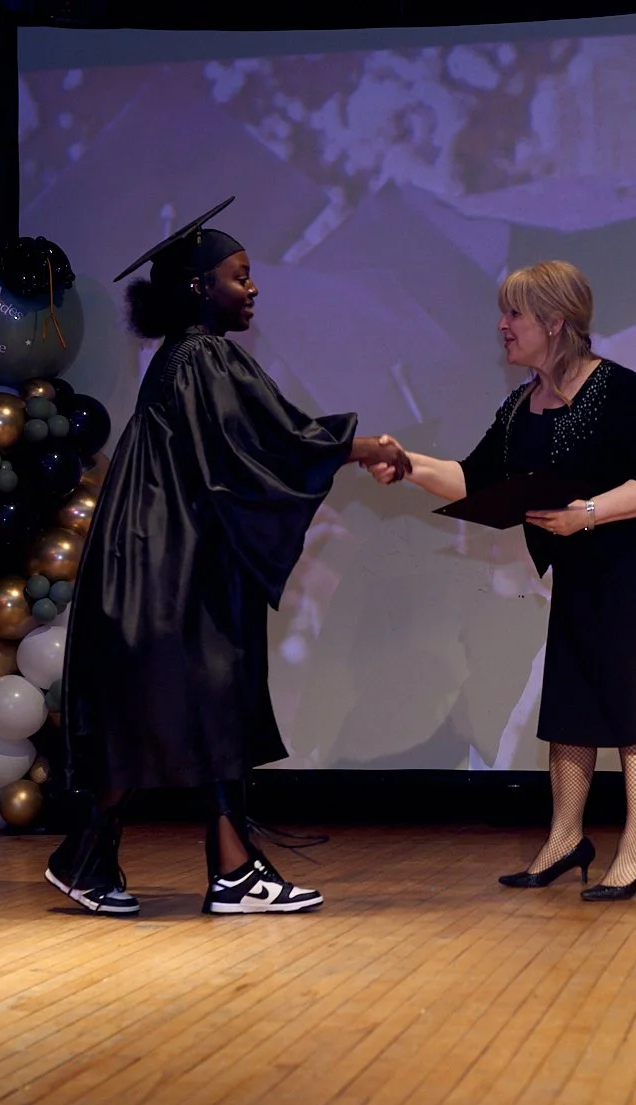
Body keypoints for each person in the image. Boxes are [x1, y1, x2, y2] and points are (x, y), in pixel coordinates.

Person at [48, 199, 405, 917]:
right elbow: (269, 438)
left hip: (168, 555)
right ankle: (98, 857)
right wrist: (361, 445)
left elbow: (245, 446)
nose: (253, 288)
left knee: (200, 706)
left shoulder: (183, 358)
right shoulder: (203, 356)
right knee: (169, 707)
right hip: (162, 563)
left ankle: (215, 869)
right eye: (239, 276)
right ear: (198, 286)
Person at [362, 261, 636, 899]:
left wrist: (585, 514)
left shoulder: (618, 389)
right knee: (571, 710)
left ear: (555, 321)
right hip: (579, 577)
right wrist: (408, 464)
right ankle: (566, 839)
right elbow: (476, 478)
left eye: (515, 313)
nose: (502, 326)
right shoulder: (521, 405)